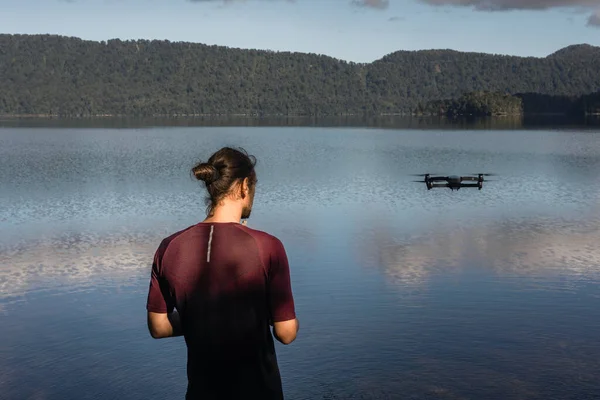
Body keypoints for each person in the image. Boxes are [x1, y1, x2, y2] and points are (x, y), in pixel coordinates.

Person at [145, 147, 299, 400]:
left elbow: (159, 327)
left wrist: (204, 316)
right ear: (244, 187)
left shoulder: (170, 246)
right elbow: (286, 333)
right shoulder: (268, 246)